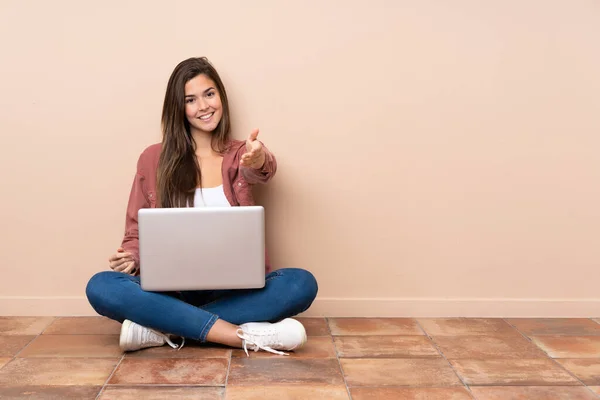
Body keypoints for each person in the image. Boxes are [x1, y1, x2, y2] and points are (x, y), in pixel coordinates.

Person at [85, 57, 318, 356]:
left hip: (235, 290)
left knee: (300, 283)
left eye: (209, 94)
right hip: (171, 290)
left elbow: (262, 168)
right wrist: (129, 258)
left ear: (220, 95)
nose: (204, 106)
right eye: (190, 100)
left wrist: (257, 159)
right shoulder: (152, 158)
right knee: (101, 285)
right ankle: (240, 335)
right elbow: (136, 233)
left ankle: (163, 327)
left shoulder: (240, 154)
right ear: (178, 108)